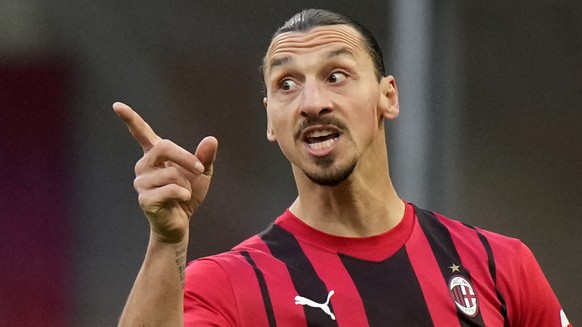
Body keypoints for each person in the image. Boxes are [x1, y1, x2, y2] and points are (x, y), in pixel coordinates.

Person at [113, 9, 571, 327]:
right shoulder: (227, 286)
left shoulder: (499, 267)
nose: (313, 103)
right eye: (287, 84)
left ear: (387, 96)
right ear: (270, 119)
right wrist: (166, 242)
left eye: (336, 75)